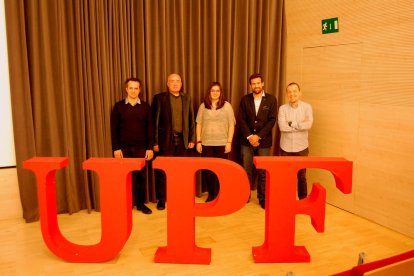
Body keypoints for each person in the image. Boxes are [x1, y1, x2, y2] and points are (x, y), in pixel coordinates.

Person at [152, 73, 196, 210]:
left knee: (181, 171)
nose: (175, 83)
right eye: (172, 81)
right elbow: (155, 121)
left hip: (182, 141)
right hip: (166, 141)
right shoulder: (160, 98)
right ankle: (161, 199)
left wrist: (192, 139)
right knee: (162, 172)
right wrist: (155, 142)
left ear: (181, 84)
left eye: (178, 81)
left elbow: (191, 119)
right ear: (167, 84)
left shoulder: (187, 98)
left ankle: (180, 197)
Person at [111, 77, 154, 214]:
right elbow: (114, 129)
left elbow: (150, 129)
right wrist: (116, 148)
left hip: (141, 148)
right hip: (123, 149)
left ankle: (140, 204)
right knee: (124, 177)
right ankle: (125, 204)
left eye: (136, 88)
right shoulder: (118, 107)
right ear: (126, 89)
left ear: (139, 90)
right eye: (131, 88)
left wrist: (150, 148)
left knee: (140, 178)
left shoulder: (146, 107)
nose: (133, 91)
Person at [237, 73, 277, 209]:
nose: (256, 86)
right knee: (246, 170)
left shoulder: (271, 100)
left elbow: (272, 120)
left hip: (264, 142)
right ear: (250, 85)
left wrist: (258, 136)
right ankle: (245, 196)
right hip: (246, 141)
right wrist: (250, 136)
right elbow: (241, 120)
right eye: (253, 83)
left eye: (258, 83)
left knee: (263, 171)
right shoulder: (245, 100)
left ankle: (263, 198)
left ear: (262, 83)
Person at [196, 82, 236, 202]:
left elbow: (231, 125)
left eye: (217, 90)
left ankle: (220, 194)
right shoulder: (203, 106)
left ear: (220, 92)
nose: (215, 93)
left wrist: (229, 142)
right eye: (213, 90)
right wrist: (198, 141)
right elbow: (199, 124)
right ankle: (211, 194)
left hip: (222, 143)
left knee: (221, 170)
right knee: (208, 170)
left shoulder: (227, 106)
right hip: (206, 143)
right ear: (209, 92)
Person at [278, 82, 313, 200]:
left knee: (302, 176)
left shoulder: (307, 107)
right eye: (289, 92)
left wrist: (291, 123)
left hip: (301, 147)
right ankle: (286, 199)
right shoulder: (282, 108)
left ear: (300, 93)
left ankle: (303, 200)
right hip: (285, 147)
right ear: (287, 94)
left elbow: (308, 124)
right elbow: (282, 127)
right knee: (286, 176)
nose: (292, 94)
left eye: (294, 91)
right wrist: (300, 125)